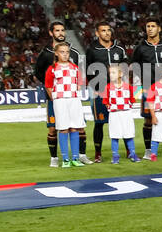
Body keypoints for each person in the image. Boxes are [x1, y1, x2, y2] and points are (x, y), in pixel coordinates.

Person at [34, 21, 85, 166]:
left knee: (77, 126)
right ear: (51, 33)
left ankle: (79, 156)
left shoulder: (74, 54)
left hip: (72, 98)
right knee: (54, 127)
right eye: (57, 30)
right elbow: (39, 74)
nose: (60, 33)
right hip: (56, 98)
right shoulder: (45, 54)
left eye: (63, 30)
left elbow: (79, 76)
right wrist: (53, 95)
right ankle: (55, 158)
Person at [132, 18, 162, 157]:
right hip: (148, 88)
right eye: (148, 26)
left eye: (153, 26)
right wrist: (141, 86)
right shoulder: (140, 48)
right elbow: (135, 67)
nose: (150, 29)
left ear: (159, 29)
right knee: (148, 119)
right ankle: (148, 150)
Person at [85, 21, 128, 157]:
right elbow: (88, 70)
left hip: (118, 91)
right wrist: (95, 88)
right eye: (103, 30)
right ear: (97, 33)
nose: (107, 33)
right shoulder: (92, 50)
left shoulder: (119, 49)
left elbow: (125, 65)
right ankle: (98, 153)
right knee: (100, 122)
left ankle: (129, 150)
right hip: (100, 91)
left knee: (123, 121)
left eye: (108, 30)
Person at [43, 42, 87, 168]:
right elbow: (48, 87)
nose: (65, 54)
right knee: (63, 128)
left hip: (74, 100)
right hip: (60, 101)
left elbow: (79, 84)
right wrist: (56, 99)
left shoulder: (74, 67)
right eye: (62, 52)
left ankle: (75, 158)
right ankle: (65, 159)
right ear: (56, 53)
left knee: (74, 128)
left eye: (67, 52)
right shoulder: (52, 69)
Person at [103, 63, 139, 163]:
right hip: (114, 114)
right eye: (110, 73)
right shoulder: (108, 87)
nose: (111, 75)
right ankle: (115, 156)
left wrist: (126, 108)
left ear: (120, 74)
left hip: (126, 114)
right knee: (115, 135)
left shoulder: (128, 87)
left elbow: (132, 99)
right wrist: (113, 108)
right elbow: (106, 101)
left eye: (113, 73)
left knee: (129, 133)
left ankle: (132, 153)